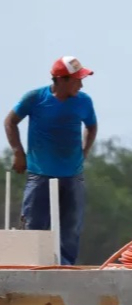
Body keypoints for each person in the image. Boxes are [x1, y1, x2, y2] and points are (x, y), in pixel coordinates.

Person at [3, 57, 98, 265]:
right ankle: (30, 266)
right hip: (40, 174)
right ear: (60, 80)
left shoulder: (83, 101)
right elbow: (10, 121)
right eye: (76, 80)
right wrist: (18, 152)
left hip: (73, 175)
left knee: (71, 228)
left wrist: (85, 150)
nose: (81, 85)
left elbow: (91, 126)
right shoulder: (35, 98)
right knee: (33, 226)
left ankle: (65, 266)